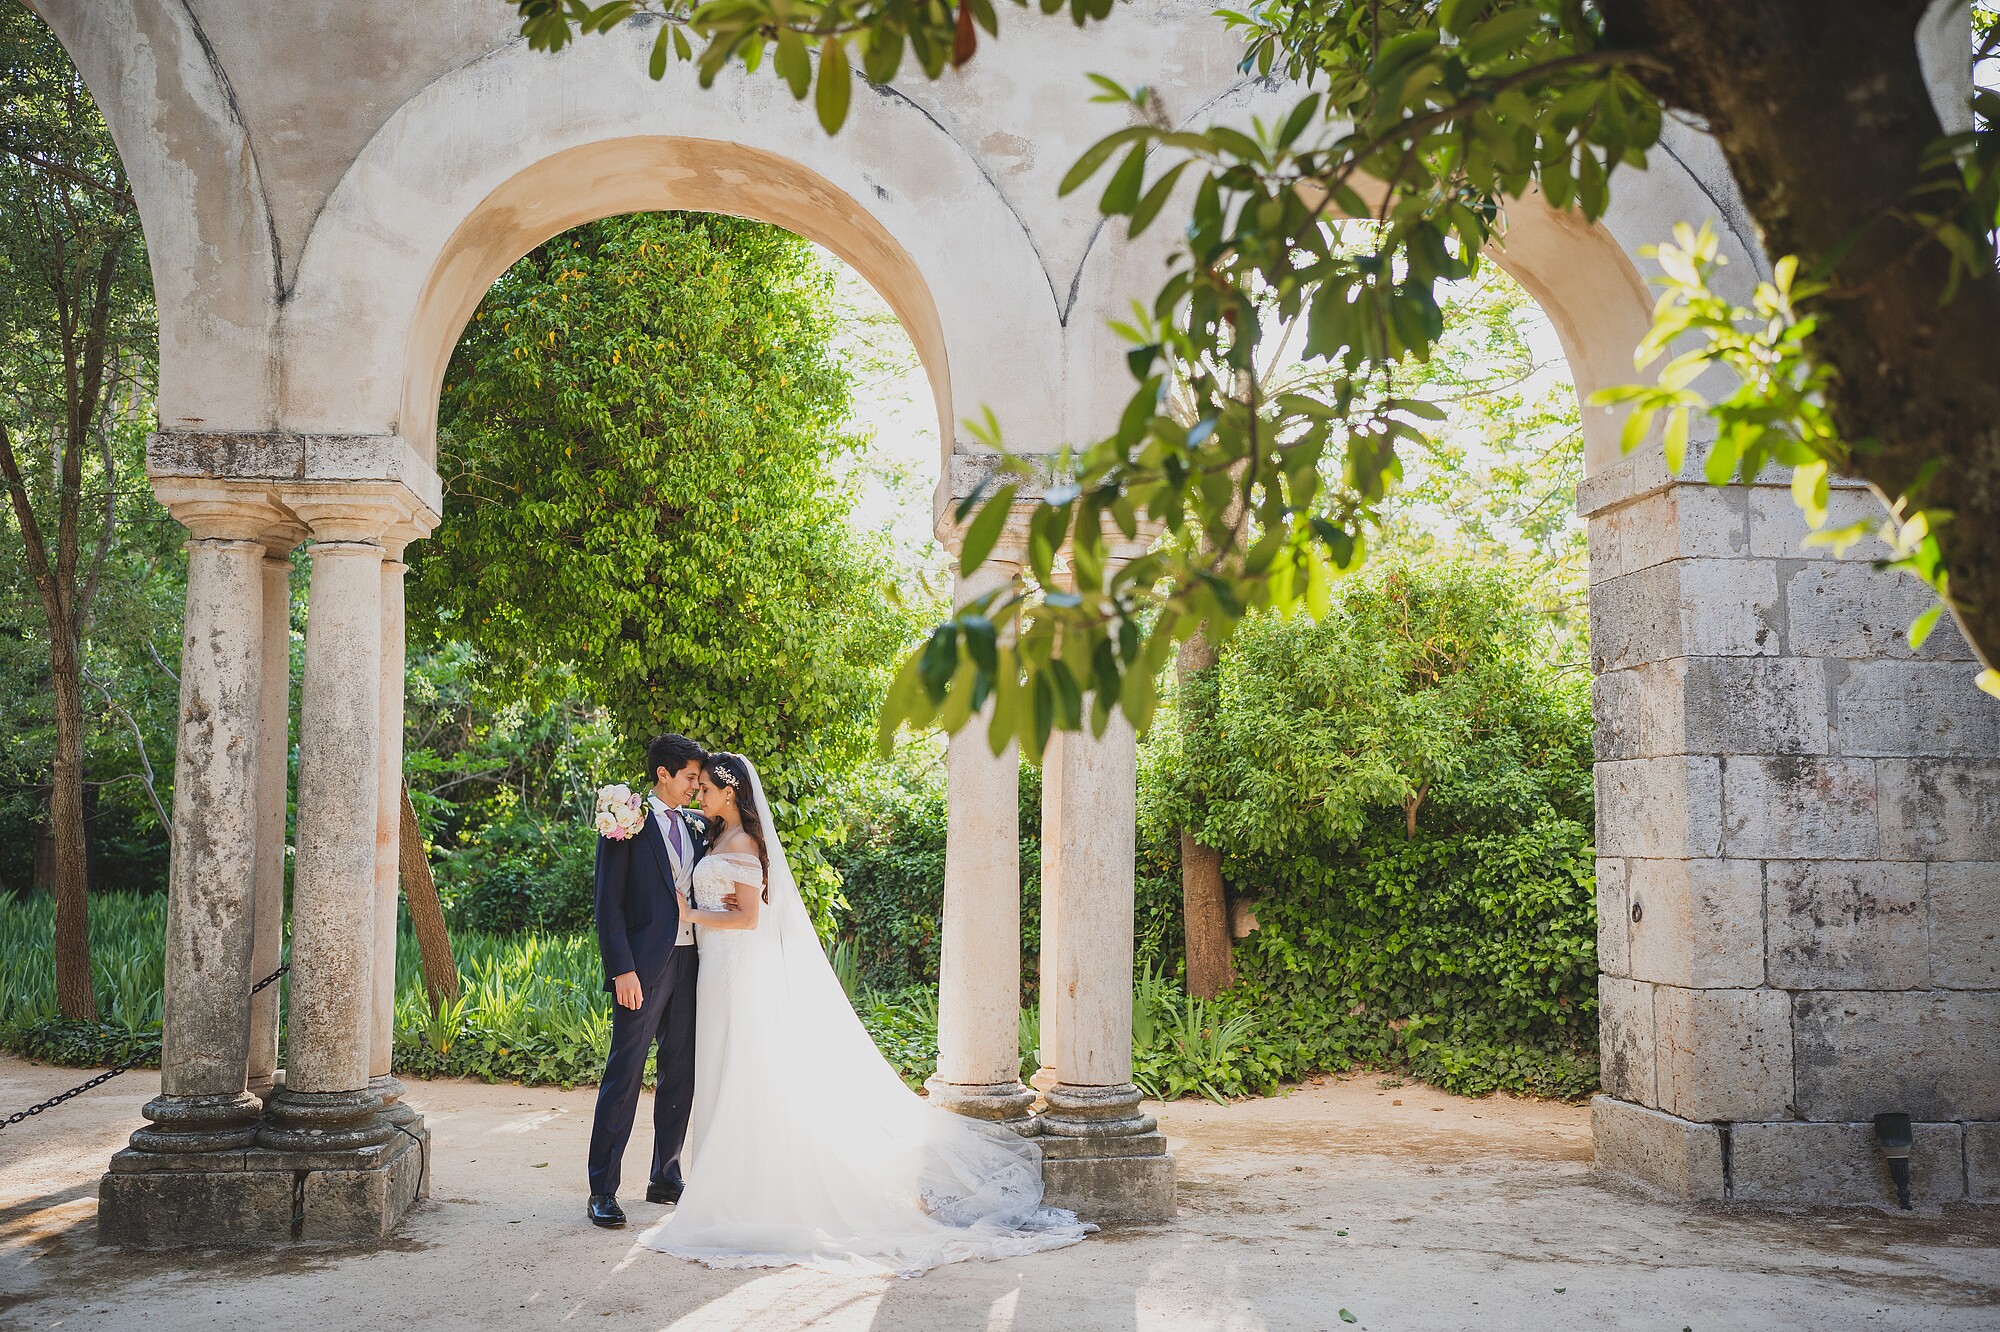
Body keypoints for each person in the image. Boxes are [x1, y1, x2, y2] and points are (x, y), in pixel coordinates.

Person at [635, 751, 1091, 1276]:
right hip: (714, 972)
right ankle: (723, 1187)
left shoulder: (742, 843)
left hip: (735, 972)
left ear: (731, 792)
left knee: (743, 1072)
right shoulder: (715, 836)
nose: (700, 795)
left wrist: (690, 912)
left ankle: (741, 1195)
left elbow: (747, 919)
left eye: (708, 788)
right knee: (719, 1069)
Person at [584, 733, 711, 1229]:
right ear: (663, 773)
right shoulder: (624, 820)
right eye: (690, 778)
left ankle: (665, 1175)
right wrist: (622, 969)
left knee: (680, 1072)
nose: (695, 787)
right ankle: (602, 1189)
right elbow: (607, 903)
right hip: (641, 968)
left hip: (692, 962)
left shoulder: (698, 825)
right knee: (625, 1073)